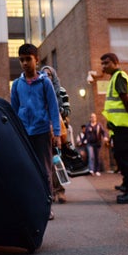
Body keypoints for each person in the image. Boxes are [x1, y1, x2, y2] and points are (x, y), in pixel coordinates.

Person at [11, 44, 62, 219]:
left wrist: (56, 133)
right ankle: (30, 205)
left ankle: (47, 207)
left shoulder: (45, 83)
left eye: (28, 59)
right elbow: (14, 110)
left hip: (41, 132)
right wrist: (15, 133)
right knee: (26, 170)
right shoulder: (17, 85)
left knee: (44, 170)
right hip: (24, 133)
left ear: (36, 60)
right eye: (22, 60)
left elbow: (54, 109)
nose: (25, 63)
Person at [100, 53, 128, 204]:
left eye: (106, 63)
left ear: (115, 62)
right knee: (123, 158)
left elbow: (126, 100)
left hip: (125, 127)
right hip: (121, 127)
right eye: (102, 64)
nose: (103, 67)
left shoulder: (119, 76)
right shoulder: (115, 77)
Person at [41, 65, 69, 203]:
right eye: (44, 74)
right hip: (45, 129)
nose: (47, 76)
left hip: (59, 129)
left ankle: (60, 190)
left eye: (49, 74)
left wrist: (57, 111)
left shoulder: (61, 91)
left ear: (54, 76)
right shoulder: (40, 90)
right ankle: (51, 191)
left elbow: (68, 111)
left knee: (58, 161)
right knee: (49, 162)